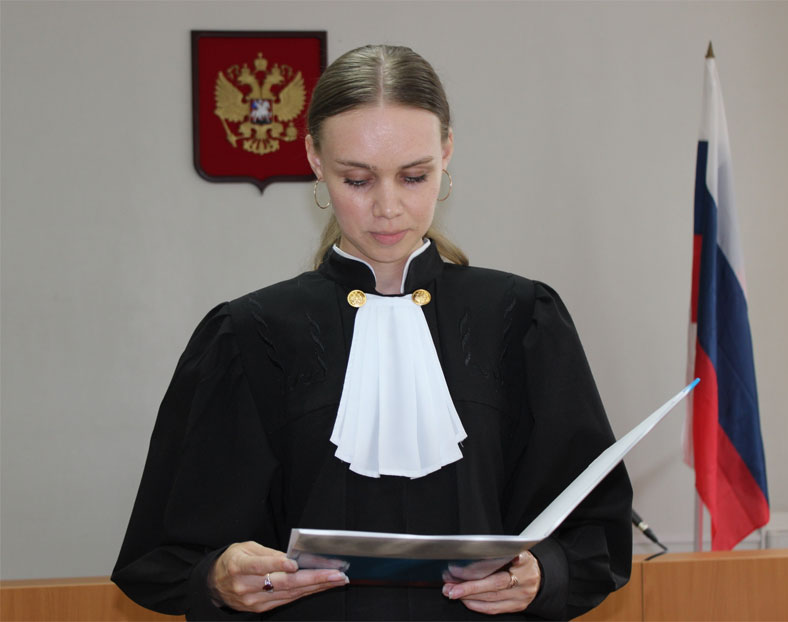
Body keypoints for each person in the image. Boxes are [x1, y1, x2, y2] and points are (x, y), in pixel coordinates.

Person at [112, 44, 632, 621]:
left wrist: (543, 573)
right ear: (314, 159)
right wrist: (218, 578)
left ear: (447, 152)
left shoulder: (522, 319)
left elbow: (594, 533)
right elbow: (166, 555)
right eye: (358, 179)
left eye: (414, 176)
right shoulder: (250, 335)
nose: (388, 207)